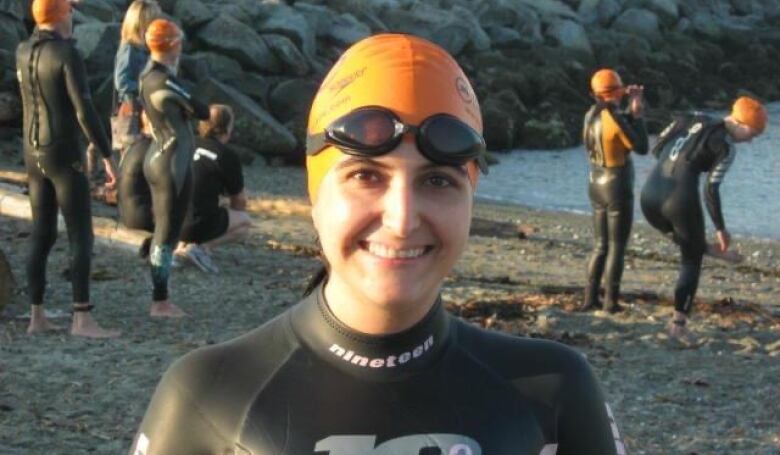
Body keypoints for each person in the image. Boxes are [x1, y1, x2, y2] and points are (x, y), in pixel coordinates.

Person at [129, 34, 627, 455]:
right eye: (366, 175)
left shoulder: (555, 390)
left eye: (438, 182)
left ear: (471, 199)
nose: (403, 218)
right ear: (316, 194)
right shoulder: (208, 396)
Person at [16, 0, 120, 338]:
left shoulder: (22, 50)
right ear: (61, 14)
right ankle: (82, 318)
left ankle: (37, 316)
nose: (74, 15)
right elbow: (84, 109)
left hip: (33, 153)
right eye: (70, 10)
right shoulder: (65, 54)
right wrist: (106, 153)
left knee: (42, 233)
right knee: (80, 233)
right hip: (63, 153)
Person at [640, 96, 767, 343]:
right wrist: (720, 227)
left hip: (649, 194)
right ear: (740, 123)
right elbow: (711, 189)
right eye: (752, 133)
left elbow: (658, 146)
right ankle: (678, 325)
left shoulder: (693, 115)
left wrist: (672, 164)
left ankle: (706, 248)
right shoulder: (726, 146)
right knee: (691, 260)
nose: (750, 140)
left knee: (687, 241)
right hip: (680, 199)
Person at [139, 19, 209, 318]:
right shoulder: (164, 79)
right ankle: (160, 302)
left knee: (164, 230)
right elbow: (203, 110)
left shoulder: (146, 75)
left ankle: (160, 295)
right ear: (175, 45)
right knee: (167, 232)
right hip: (172, 162)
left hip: (157, 155)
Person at [581, 69, 648, 312]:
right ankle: (611, 300)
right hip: (616, 183)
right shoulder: (613, 116)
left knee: (600, 245)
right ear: (617, 91)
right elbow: (640, 146)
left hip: (595, 180)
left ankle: (590, 298)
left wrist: (629, 111)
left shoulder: (591, 114)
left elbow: (614, 134)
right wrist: (637, 115)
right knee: (617, 245)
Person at [176, 104, 252, 273]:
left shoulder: (185, 142)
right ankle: (201, 248)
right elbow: (238, 200)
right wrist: (232, 212)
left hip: (169, 220)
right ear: (226, 128)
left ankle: (179, 245)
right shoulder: (226, 155)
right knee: (244, 223)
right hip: (195, 224)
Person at [112, 0, 161, 156]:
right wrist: (147, 88)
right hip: (131, 111)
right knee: (131, 156)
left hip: (141, 109)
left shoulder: (142, 49)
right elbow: (122, 82)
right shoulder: (129, 49)